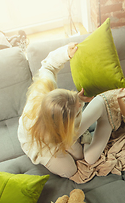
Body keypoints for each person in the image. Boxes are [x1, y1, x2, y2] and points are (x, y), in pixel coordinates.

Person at [18, 43, 92, 178]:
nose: (81, 106)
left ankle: (68, 140)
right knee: (70, 170)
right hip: (41, 145)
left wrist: (66, 53)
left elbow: (49, 65)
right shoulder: (37, 131)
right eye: (77, 109)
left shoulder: (46, 87)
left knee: (80, 155)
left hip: (58, 129)